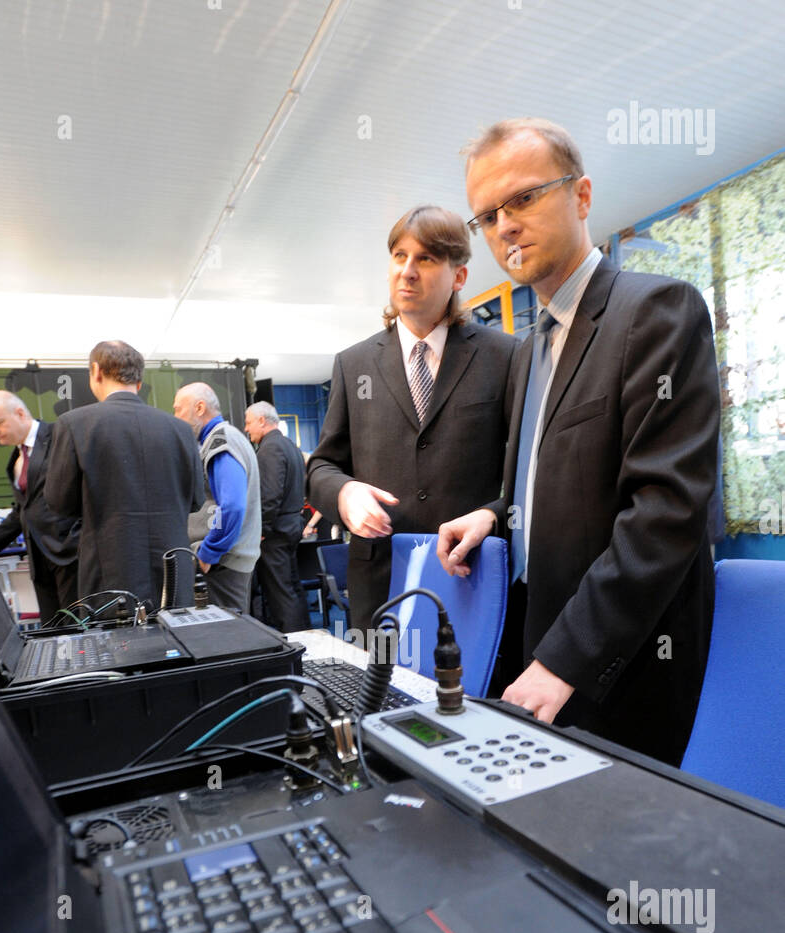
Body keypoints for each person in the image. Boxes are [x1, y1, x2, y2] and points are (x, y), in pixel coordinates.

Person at [438, 118, 720, 766]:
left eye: (523, 198)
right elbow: (541, 476)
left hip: (621, 669)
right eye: (487, 214)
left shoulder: (656, 311)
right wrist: (492, 514)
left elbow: (666, 514)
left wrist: (566, 660)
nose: (504, 224)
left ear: (582, 196)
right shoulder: (528, 348)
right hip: (538, 647)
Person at [306, 205, 515, 639]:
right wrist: (344, 493)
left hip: (469, 576)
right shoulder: (353, 364)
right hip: (381, 588)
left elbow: (528, 473)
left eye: (426, 258)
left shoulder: (505, 357)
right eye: (399, 256)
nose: (407, 271)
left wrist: (492, 515)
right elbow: (321, 466)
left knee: (471, 700)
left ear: (458, 276)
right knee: (382, 698)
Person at [45, 341, 204, 611]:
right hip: (173, 572)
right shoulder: (180, 429)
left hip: (109, 577)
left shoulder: (73, 424)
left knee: (115, 651)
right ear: (139, 381)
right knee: (177, 648)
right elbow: (196, 501)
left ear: (96, 371)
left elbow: (59, 503)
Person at [0, 392, 80, 623]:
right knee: (53, 632)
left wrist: (78, 541)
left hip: (71, 557)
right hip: (39, 561)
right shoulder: (17, 457)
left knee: (78, 631)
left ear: (20, 414)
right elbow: (24, 508)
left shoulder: (60, 438)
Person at [173, 382, 261, 613]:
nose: (175, 416)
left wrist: (209, 552)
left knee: (225, 640)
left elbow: (231, 507)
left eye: (178, 409)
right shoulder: (226, 438)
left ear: (199, 408)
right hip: (228, 563)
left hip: (222, 566)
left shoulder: (220, 442)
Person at [244, 401, 310, 632]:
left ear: (262, 421)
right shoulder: (290, 445)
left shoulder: (270, 448)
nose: (246, 428)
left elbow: (270, 496)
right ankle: (305, 635)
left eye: (249, 422)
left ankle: (294, 643)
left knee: (280, 593)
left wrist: (260, 531)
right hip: (290, 527)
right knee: (291, 587)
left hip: (275, 533)